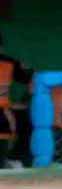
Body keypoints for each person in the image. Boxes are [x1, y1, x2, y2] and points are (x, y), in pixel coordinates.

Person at [0, 31, 33, 169]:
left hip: (4, 111)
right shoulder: (9, 62)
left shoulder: (9, 63)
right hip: (4, 112)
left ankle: (9, 160)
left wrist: (23, 102)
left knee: (23, 119)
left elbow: (31, 79)